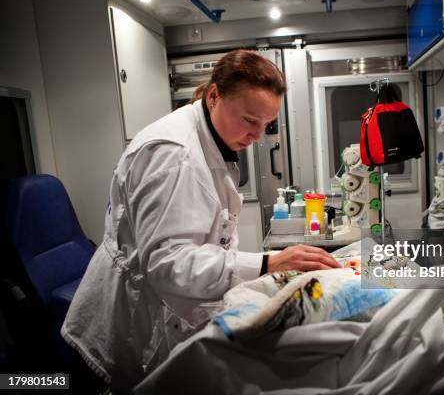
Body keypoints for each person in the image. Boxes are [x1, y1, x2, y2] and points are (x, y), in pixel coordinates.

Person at [61, 50, 339, 392]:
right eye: (250, 120)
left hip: (174, 306)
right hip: (134, 320)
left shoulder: (213, 141)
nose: (257, 135)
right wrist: (268, 263)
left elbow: (207, 237)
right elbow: (168, 263)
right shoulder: (173, 154)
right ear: (213, 96)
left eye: (266, 124)